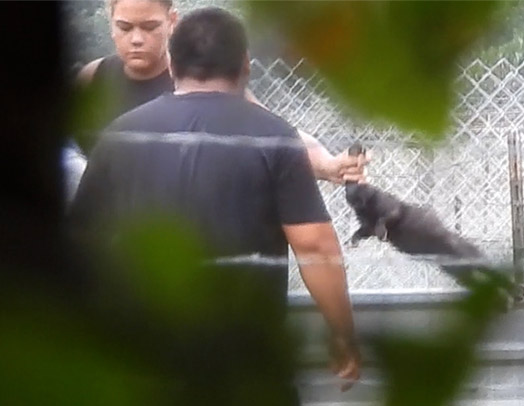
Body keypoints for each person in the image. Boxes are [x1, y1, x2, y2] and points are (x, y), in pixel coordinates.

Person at [70, 6, 360, 395]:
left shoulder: (119, 135)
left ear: (173, 66)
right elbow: (314, 245)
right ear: (245, 67)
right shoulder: (274, 137)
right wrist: (342, 333)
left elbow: (80, 243)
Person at [75, 0, 367, 185]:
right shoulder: (93, 77)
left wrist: (327, 164)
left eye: (150, 27)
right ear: (110, 23)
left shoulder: (205, 79)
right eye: (125, 27)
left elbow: (271, 130)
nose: (137, 39)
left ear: (172, 22)